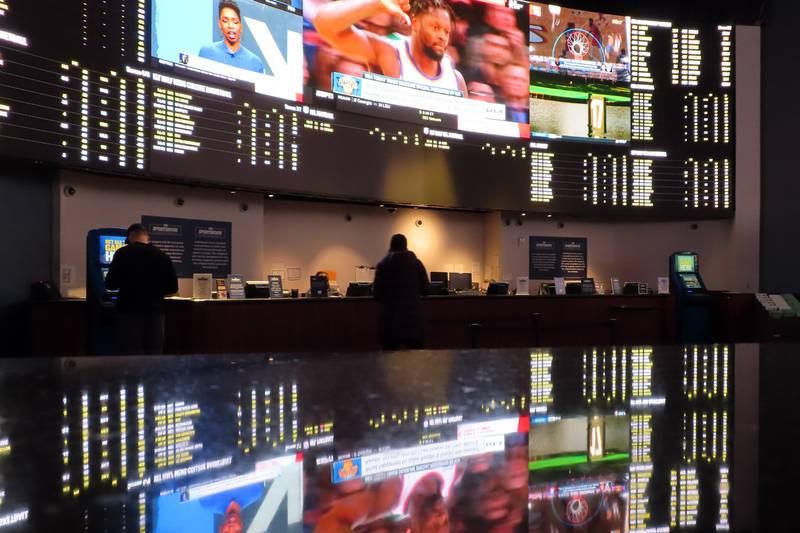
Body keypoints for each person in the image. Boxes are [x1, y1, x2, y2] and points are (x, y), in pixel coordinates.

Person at [312, 0, 468, 94]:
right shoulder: (390, 55)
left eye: (446, 31)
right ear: (415, 23)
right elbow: (323, 23)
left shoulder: (456, 79)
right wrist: (376, 4)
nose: (442, 36)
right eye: (435, 28)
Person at [105, 223, 178, 355]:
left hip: (128, 312)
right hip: (155, 313)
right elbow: (173, 288)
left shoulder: (123, 253)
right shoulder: (162, 256)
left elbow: (110, 284)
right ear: (147, 237)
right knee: (154, 354)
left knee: (131, 354)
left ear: (130, 237)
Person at [372, 234, 429, 350]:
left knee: (388, 361)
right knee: (416, 360)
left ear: (391, 246)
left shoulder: (383, 265)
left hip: (390, 320)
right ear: (406, 246)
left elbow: (376, 293)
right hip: (413, 320)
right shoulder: (416, 264)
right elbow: (426, 290)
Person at [199, 0, 266, 74]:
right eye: (225, 21)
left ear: (241, 26)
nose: (230, 26)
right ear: (220, 24)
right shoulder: (207, 51)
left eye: (235, 22)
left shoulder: (255, 62)